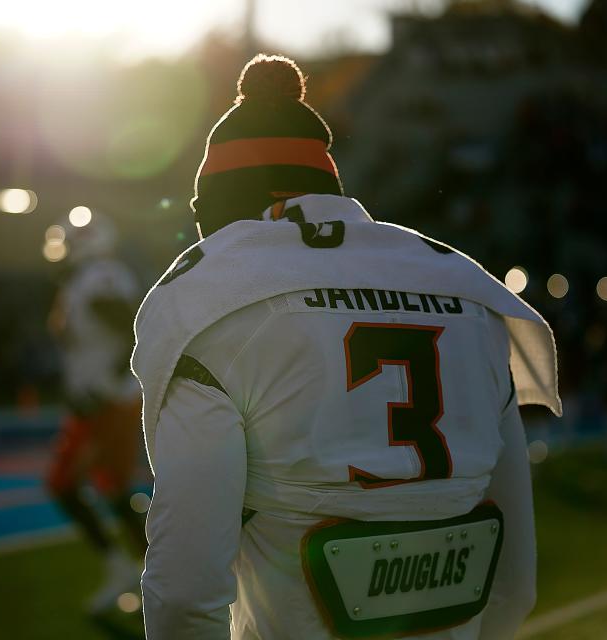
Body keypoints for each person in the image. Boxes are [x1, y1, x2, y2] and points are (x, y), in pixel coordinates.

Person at [132, 54, 561, 640]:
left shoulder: (212, 311)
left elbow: (185, 595)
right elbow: (515, 582)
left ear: (226, 208)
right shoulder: (472, 297)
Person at [44, 213, 148, 614]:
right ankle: (142, 570)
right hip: (99, 400)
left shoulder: (100, 276)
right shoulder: (82, 280)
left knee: (64, 484)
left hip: (106, 402)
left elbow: (134, 328)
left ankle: (124, 568)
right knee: (114, 490)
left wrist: (105, 383)